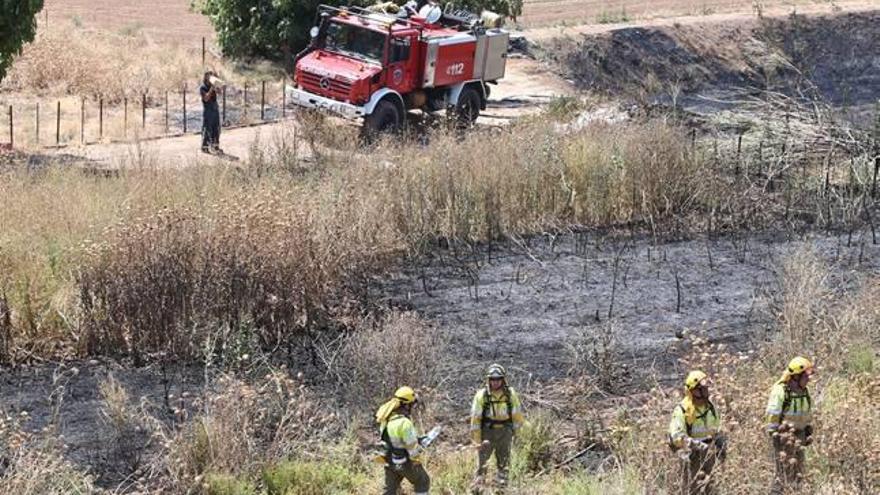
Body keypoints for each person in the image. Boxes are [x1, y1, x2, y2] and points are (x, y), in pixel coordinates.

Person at [668, 370, 725, 495]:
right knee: (692, 490)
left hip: (709, 456)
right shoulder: (682, 411)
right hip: (691, 457)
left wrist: (720, 441)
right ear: (693, 391)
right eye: (702, 390)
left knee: (712, 489)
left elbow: (716, 430)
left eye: (706, 389)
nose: (706, 393)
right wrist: (696, 445)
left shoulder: (710, 408)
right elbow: (676, 437)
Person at [469, 364, 524, 489]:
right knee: (482, 465)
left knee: (504, 463)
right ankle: (478, 489)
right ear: (488, 380)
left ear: (503, 379)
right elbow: (475, 420)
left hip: (505, 433)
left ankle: (501, 489)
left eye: (498, 379)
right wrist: (477, 441)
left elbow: (517, 416)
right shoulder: (482, 395)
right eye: (492, 379)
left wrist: (518, 435)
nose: (495, 382)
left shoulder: (510, 394)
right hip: (487, 433)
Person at [766, 356, 814, 495]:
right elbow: (772, 416)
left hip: (800, 435)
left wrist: (807, 429)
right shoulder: (781, 391)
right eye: (806, 376)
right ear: (796, 376)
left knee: (798, 472)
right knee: (783, 473)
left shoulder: (804, 391)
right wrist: (776, 437)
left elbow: (806, 412)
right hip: (784, 436)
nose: (809, 379)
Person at [376, 386, 430, 495]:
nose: (412, 408)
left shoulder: (385, 419)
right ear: (406, 405)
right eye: (411, 405)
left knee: (389, 491)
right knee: (422, 480)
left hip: (389, 462)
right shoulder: (404, 423)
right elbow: (413, 451)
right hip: (404, 462)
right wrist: (421, 448)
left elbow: (392, 441)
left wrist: (417, 440)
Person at [199, 71, 221, 153]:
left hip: (215, 108)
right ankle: (204, 147)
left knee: (217, 128)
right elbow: (206, 98)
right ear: (205, 77)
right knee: (207, 128)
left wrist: (217, 83)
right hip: (208, 110)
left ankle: (215, 146)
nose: (210, 77)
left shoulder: (213, 86)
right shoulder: (203, 88)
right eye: (209, 76)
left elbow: (220, 92)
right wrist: (212, 88)